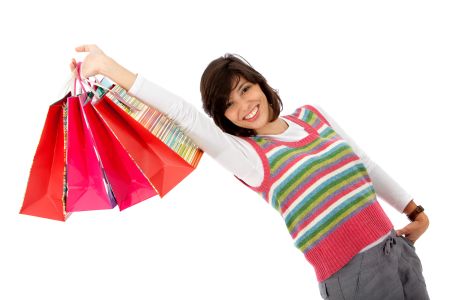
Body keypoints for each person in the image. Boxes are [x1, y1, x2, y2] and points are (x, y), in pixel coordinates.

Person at [71, 45, 430, 299]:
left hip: (397, 251)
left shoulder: (311, 117)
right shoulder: (249, 157)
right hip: (355, 279)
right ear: (222, 117)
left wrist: (414, 213)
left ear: (260, 84)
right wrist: (109, 66)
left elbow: (365, 164)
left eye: (245, 89)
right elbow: (183, 114)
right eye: (229, 104)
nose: (244, 106)